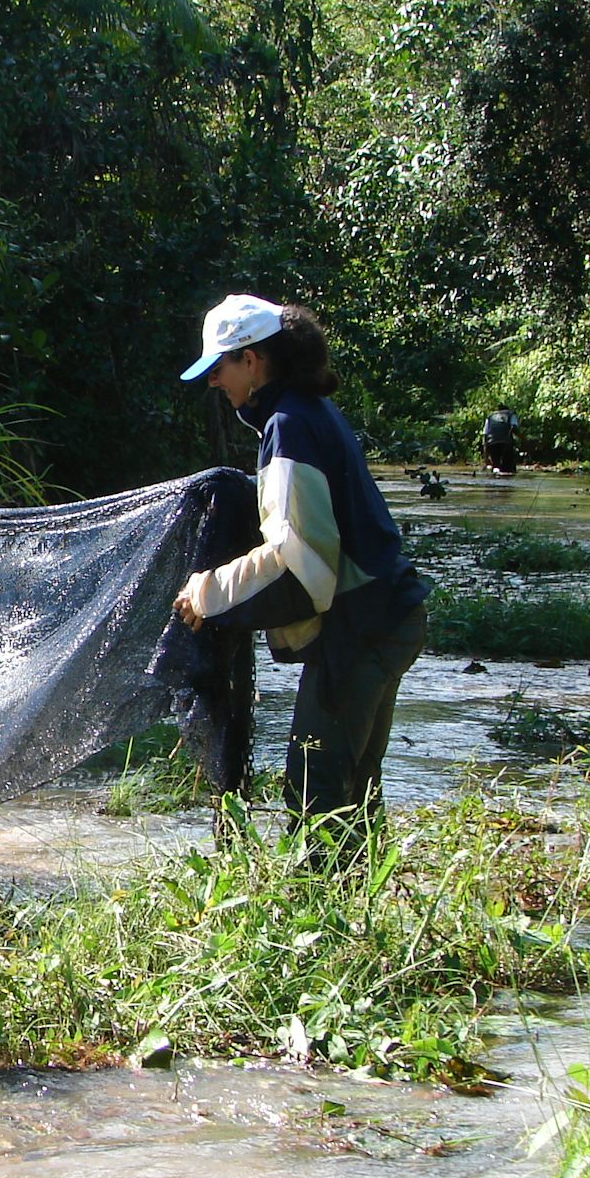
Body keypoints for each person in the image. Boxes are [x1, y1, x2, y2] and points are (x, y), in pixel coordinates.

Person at [170, 295, 430, 857]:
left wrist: (206, 592)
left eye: (219, 367)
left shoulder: (288, 428)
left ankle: (321, 926)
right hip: (390, 615)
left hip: (362, 625)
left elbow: (298, 558)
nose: (215, 382)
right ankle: (356, 921)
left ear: (254, 360)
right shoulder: (308, 412)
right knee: (354, 784)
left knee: (316, 787)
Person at [482, 404, 520, 474]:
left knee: (495, 467)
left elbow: (485, 435)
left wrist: (486, 457)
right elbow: (514, 428)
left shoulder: (490, 417)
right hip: (506, 443)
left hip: (492, 444)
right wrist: (523, 439)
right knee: (508, 469)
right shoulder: (511, 414)